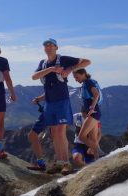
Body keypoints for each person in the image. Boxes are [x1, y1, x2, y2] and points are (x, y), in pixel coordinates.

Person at [32, 38, 91, 175]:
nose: (48, 47)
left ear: (56, 47)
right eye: (46, 45)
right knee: (54, 133)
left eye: (51, 45)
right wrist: (51, 69)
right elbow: (34, 76)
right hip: (49, 102)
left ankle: (66, 163)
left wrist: (70, 69)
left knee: (60, 132)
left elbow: (87, 61)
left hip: (61, 100)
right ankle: (59, 162)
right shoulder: (43, 63)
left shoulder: (63, 59)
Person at [73, 69, 102, 159]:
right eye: (75, 78)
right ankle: (98, 160)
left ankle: (99, 153)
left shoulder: (88, 82)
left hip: (93, 113)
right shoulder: (87, 83)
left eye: (77, 77)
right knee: (93, 139)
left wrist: (92, 107)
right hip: (94, 113)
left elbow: (96, 94)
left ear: (83, 74)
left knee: (82, 136)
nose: (76, 79)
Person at [26, 94, 47, 171]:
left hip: (48, 110)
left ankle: (41, 164)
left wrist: (38, 99)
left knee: (32, 135)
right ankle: (62, 163)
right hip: (52, 108)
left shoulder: (50, 81)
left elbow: (50, 90)